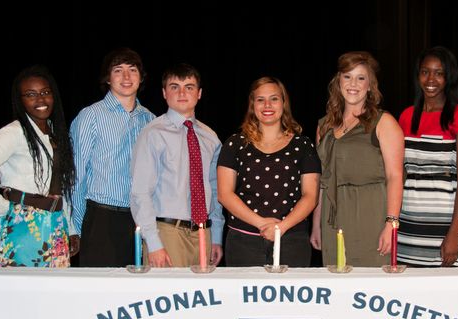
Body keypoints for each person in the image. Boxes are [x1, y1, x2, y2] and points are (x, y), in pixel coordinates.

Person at [0, 65, 76, 267]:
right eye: (31, 94)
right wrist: (0, 207)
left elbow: (60, 186)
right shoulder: (14, 133)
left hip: (56, 223)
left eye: (45, 92)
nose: (40, 100)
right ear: (20, 100)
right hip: (24, 224)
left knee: (54, 293)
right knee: (21, 291)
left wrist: (71, 229)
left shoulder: (56, 133)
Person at [310, 51, 404, 266]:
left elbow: (395, 176)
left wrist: (391, 223)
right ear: (338, 81)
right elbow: (323, 181)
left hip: (370, 213)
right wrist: (316, 223)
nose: (353, 84)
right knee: (336, 285)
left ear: (370, 85)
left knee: (371, 286)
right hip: (332, 218)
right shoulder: (324, 126)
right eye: (347, 76)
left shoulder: (384, 122)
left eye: (361, 78)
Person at [217, 77, 320, 267]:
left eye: (274, 99)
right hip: (243, 241)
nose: (267, 105)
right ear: (252, 105)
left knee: (291, 297)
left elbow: (310, 195)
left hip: (292, 240)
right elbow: (224, 194)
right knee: (244, 297)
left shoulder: (303, 145)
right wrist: (262, 224)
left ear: (283, 103)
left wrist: (281, 228)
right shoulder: (234, 144)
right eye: (260, 99)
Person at [130, 64, 224, 267]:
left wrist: (215, 236)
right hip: (167, 232)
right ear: (164, 93)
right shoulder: (153, 133)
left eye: (189, 87)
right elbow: (140, 192)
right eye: (175, 87)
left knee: (202, 298)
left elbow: (215, 190)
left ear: (199, 94)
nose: (182, 93)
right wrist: (154, 244)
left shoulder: (210, 137)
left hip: (202, 233)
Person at [70, 47, 155, 267]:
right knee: (100, 295)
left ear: (141, 77)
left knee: (137, 297)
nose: (126, 77)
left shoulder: (151, 120)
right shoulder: (90, 116)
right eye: (118, 70)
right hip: (100, 218)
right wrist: (76, 228)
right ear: (108, 78)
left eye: (132, 70)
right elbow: (76, 175)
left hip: (140, 219)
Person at [397, 46, 458, 267]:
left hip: (445, 225)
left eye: (439, 73)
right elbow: (401, 172)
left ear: (448, 77)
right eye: (425, 72)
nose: (430, 79)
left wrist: (454, 232)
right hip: (408, 224)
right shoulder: (406, 116)